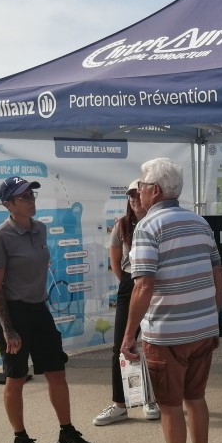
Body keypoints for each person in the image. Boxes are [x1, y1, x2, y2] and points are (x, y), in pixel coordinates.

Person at [120, 157, 222, 443]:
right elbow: (218, 274)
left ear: (154, 190)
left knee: (169, 406)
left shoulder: (148, 227)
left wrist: (128, 335)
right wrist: (212, 317)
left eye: (140, 186)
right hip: (203, 329)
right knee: (196, 398)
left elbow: (143, 285)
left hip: (167, 334)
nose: (138, 192)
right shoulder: (199, 222)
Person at [0, 175, 94, 443]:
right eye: (23, 197)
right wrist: (8, 329)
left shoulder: (41, 229)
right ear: (8, 204)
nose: (31, 200)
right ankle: (20, 438)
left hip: (39, 310)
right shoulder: (0, 236)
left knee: (56, 373)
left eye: (32, 195)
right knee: (16, 377)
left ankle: (66, 432)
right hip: (12, 314)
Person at [92, 180, 160, 426]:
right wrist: (129, 284)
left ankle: (151, 399)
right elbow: (115, 261)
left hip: (155, 284)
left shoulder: (157, 221)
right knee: (121, 344)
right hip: (131, 284)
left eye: (137, 195)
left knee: (153, 345)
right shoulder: (122, 225)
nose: (134, 200)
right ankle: (119, 405)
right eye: (130, 196)